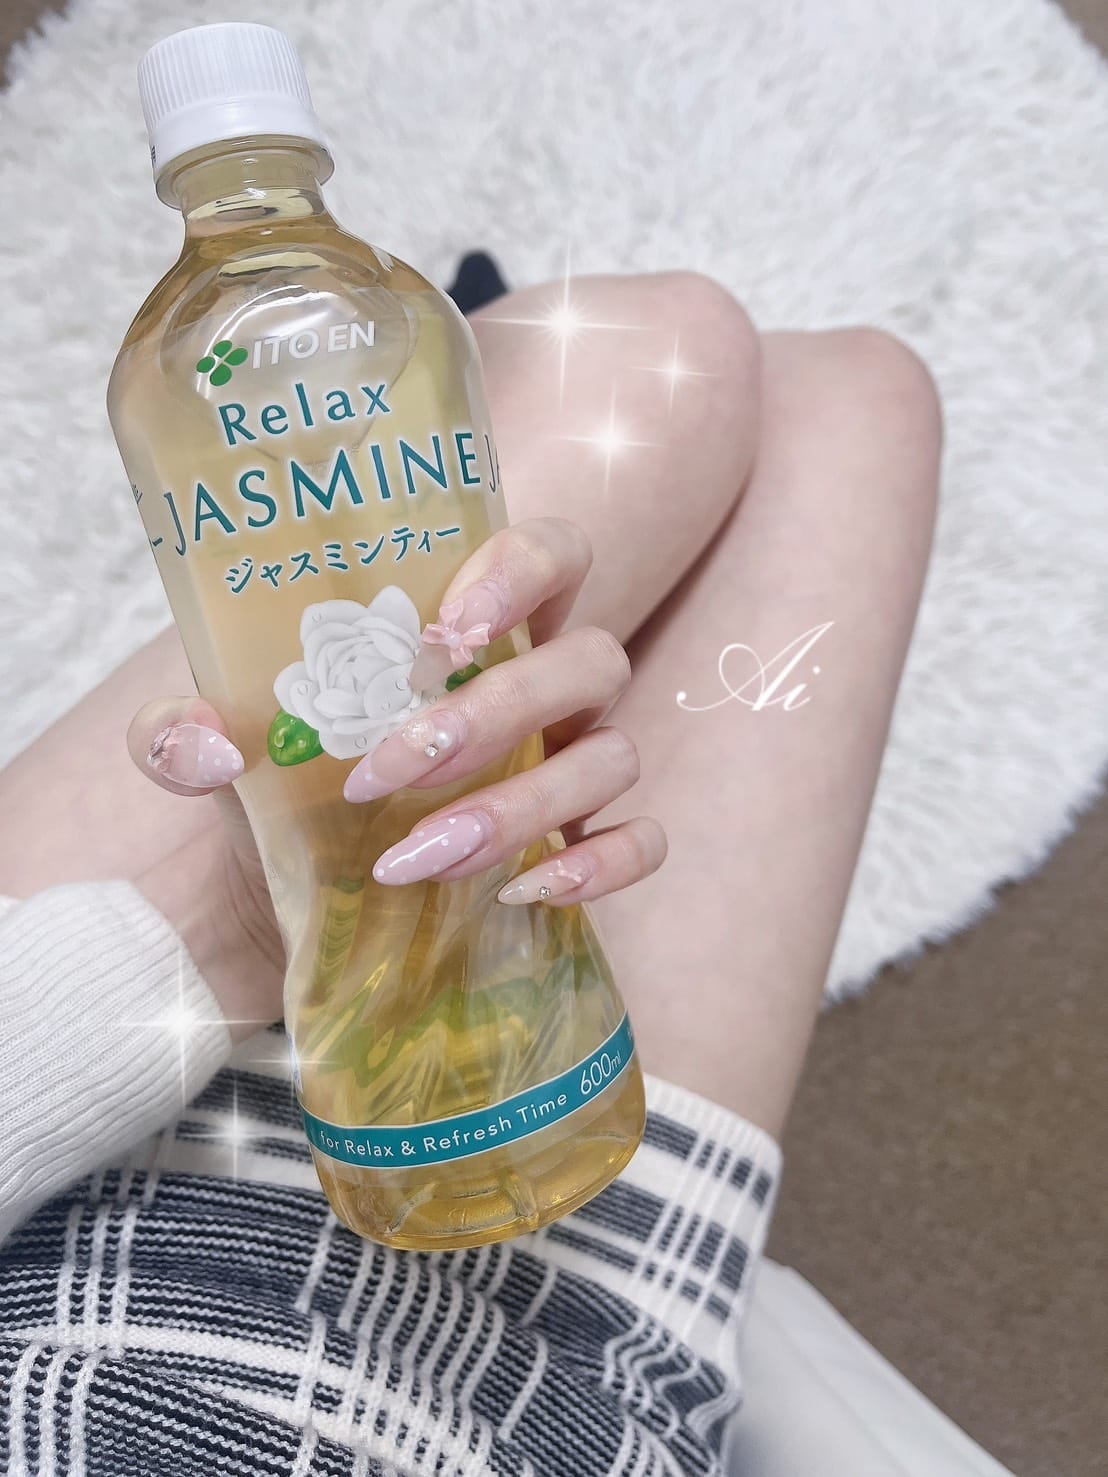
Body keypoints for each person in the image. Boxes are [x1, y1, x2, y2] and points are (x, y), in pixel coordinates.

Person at [0, 267, 941, 1475]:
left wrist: (233, 919)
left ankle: (417, 429)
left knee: (666, 350)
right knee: (859, 402)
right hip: (559, 1379)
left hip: (75, 1145)